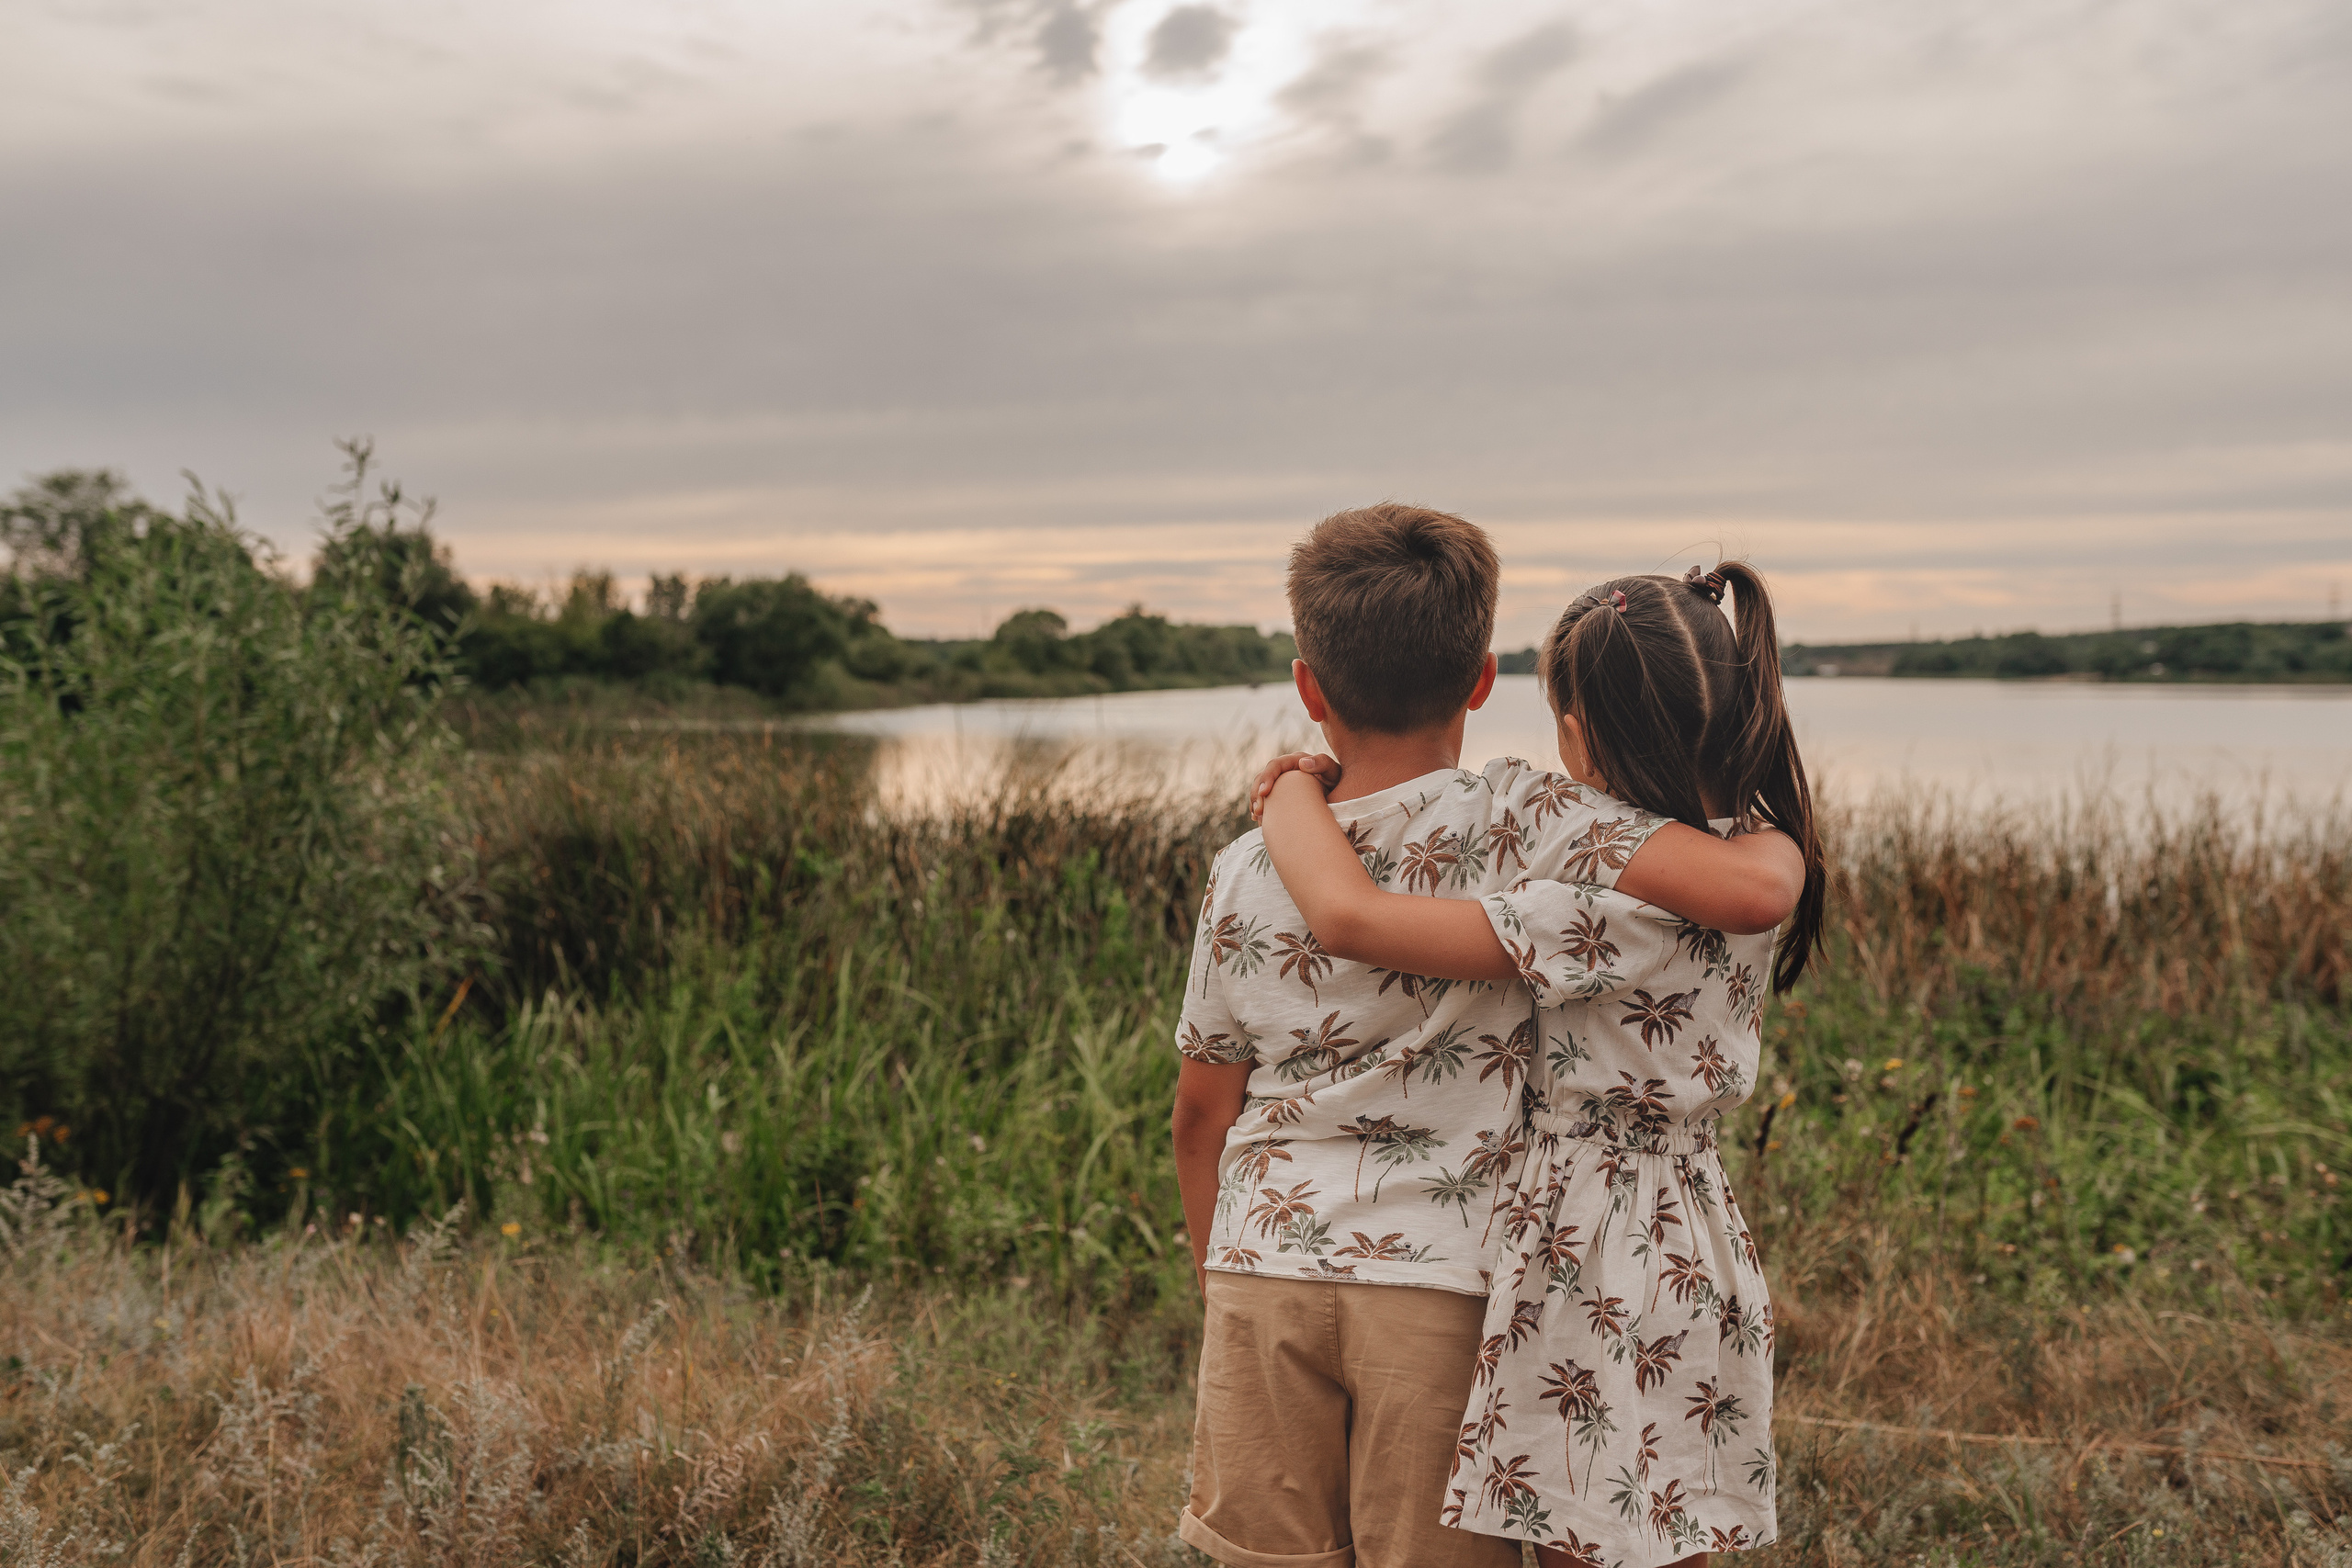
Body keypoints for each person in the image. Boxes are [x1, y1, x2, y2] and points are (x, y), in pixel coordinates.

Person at [1172, 509, 1807, 1568]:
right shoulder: (1533, 831)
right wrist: (1782, 845)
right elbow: (1741, 880)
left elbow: (1209, 1101)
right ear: (1479, 678)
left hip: (1290, 1261)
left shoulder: (1250, 870)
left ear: (1308, 689)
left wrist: (1284, 798)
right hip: (1490, 1266)